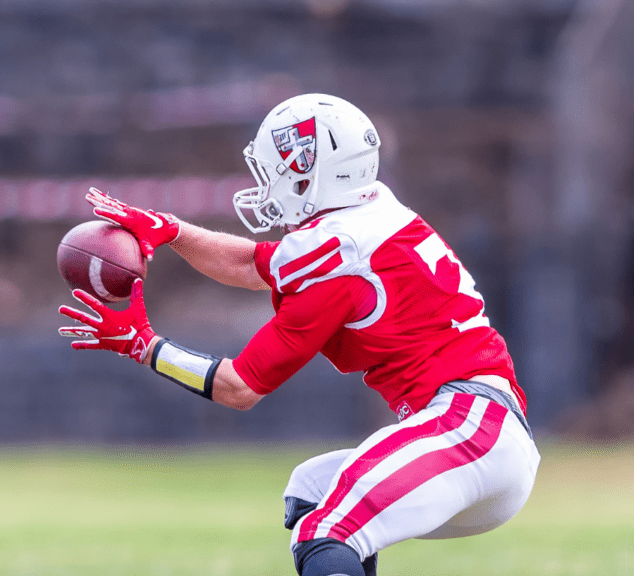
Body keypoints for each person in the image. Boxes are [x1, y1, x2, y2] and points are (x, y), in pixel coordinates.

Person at [59, 93, 541, 576]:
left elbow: (239, 387)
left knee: (328, 533)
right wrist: (171, 230)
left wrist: (145, 347)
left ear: (315, 174)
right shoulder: (366, 217)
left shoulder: (340, 256)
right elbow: (250, 263)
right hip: (479, 429)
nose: (269, 186)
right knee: (311, 490)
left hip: (468, 426)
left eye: (278, 172)